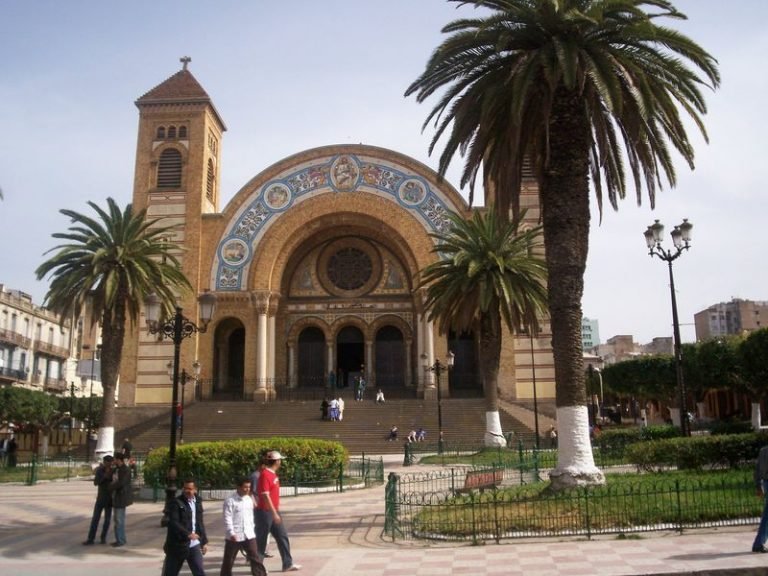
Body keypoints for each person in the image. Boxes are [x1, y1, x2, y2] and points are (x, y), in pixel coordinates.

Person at [255, 451, 301, 572]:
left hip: (273, 511)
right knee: (261, 540)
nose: (281, 462)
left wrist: (275, 511)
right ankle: (257, 568)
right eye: (280, 460)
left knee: (282, 536)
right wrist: (274, 512)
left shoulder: (273, 474)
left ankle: (287, 563)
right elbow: (265, 495)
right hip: (264, 512)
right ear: (276, 461)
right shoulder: (265, 474)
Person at [162, 479, 208, 576]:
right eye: (185, 488)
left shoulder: (198, 502)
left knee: (199, 571)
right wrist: (188, 534)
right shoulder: (176, 503)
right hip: (178, 545)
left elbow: (199, 522)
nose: (188, 491)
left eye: (190, 489)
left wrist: (204, 542)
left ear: (195, 489)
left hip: (194, 544)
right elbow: (174, 523)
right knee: (170, 573)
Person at [220, 477, 265, 576]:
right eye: (245, 487)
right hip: (234, 535)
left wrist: (252, 529)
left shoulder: (249, 499)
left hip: (248, 534)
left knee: (255, 558)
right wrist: (231, 532)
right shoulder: (230, 500)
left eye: (249, 487)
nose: (247, 489)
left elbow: (250, 516)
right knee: (229, 560)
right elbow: (227, 517)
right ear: (238, 487)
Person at [83, 455, 114, 545]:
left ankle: (103, 537)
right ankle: (91, 538)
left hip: (109, 499)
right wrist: (104, 476)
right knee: (95, 519)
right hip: (100, 498)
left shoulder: (113, 471)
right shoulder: (100, 471)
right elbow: (96, 482)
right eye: (106, 463)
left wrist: (110, 475)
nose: (107, 465)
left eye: (109, 463)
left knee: (107, 520)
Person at [109, 452, 132, 547]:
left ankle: (121, 540)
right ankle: (120, 538)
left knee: (119, 519)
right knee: (117, 519)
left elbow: (121, 483)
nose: (113, 461)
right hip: (115, 496)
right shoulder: (116, 470)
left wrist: (111, 487)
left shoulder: (125, 470)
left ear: (119, 460)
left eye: (114, 459)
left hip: (121, 497)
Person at [753, 444, 768, 553]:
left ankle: (759, 543)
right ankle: (758, 543)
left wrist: (759, 486)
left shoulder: (763, 451)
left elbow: (757, 471)